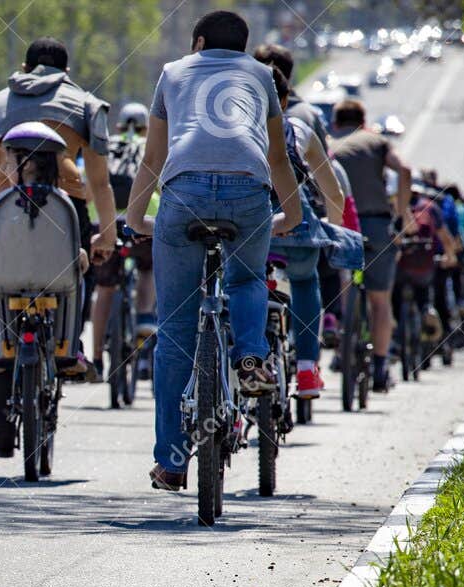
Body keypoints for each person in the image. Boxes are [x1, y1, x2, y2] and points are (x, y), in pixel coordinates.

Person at [125, 9, 302, 492]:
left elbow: (154, 157)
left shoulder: (174, 72)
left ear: (198, 42)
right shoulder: (261, 75)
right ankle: (250, 357)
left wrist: (134, 216)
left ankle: (172, 462)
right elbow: (277, 154)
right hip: (249, 189)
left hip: (182, 194)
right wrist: (293, 212)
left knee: (175, 328)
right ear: (242, 47)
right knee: (246, 279)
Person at [0, 36, 116, 456]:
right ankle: (71, 347)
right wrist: (106, 235)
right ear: (65, 71)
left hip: (4, 211)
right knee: (74, 276)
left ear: (25, 66)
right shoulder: (85, 104)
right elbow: (101, 182)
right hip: (65, 209)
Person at [267, 67, 345, 400]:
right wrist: (334, 229)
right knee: (304, 280)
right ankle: (307, 367)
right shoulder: (298, 129)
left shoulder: (230, 131)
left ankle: (241, 368)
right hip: (295, 224)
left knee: (241, 286)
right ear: (285, 100)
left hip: (248, 226)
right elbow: (333, 192)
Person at [328, 97, 414, 392]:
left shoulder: (327, 142)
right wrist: (401, 217)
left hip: (338, 223)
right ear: (363, 122)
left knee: (343, 284)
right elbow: (404, 171)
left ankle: (342, 341)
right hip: (377, 225)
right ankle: (379, 368)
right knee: (380, 301)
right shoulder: (376, 142)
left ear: (335, 122)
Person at [88, 101, 158, 380]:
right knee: (147, 268)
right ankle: (143, 317)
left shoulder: (108, 146)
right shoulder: (150, 148)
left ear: (119, 126)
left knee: (104, 288)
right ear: (146, 127)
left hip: (102, 219)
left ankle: (95, 356)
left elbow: (90, 184)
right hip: (142, 218)